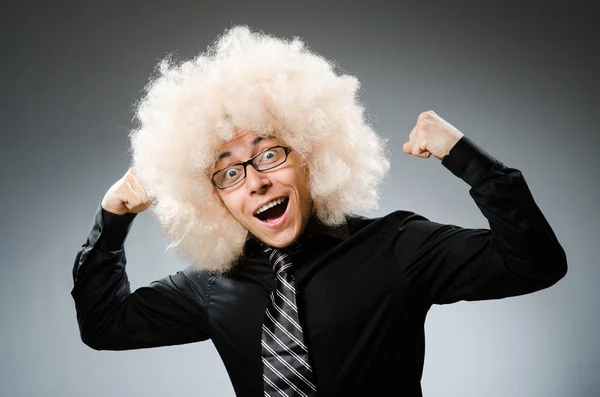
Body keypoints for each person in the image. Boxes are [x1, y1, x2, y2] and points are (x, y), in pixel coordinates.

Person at [71, 26, 567, 397]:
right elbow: (105, 326)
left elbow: (536, 264)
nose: (256, 180)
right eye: (229, 172)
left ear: (312, 155)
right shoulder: (211, 286)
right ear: (215, 196)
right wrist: (112, 220)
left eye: (269, 154)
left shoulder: (397, 247)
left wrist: (468, 160)